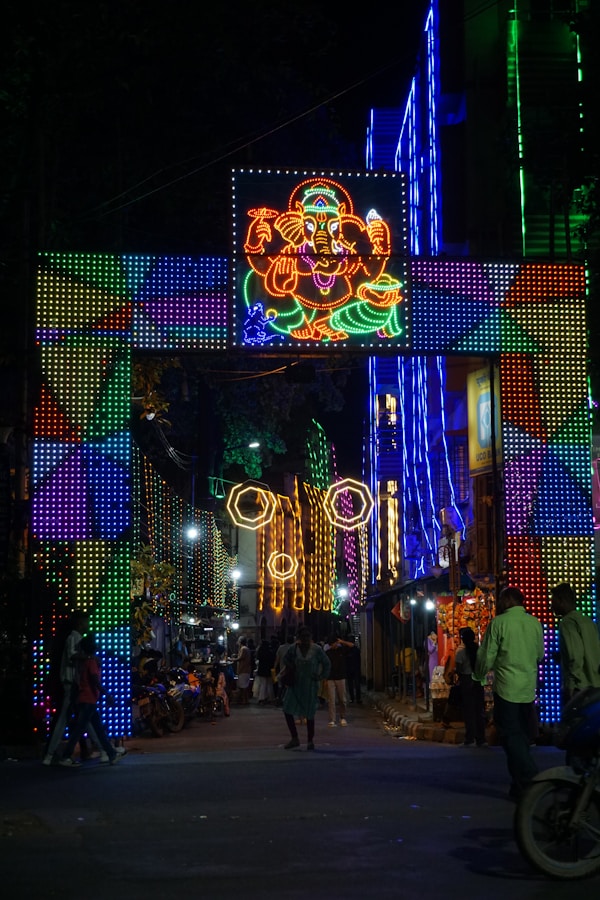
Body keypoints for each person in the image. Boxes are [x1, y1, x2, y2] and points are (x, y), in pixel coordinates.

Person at [474, 586, 544, 800]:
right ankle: (519, 786)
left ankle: (531, 777)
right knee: (521, 736)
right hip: (528, 689)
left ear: (505, 602)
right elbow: (540, 654)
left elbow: (487, 655)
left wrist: (478, 675)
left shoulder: (498, 623)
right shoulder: (534, 623)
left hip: (507, 689)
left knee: (512, 737)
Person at [43, 610, 102, 765]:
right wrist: (90, 657)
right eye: (86, 621)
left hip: (74, 684)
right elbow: (72, 655)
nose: (88, 624)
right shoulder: (74, 637)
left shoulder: (75, 637)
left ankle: (103, 749)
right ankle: (51, 755)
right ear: (80, 623)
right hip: (71, 683)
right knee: (72, 719)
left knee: (85, 719)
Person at [58, 636, 122, 767]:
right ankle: (66, 756)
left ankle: (111, 754)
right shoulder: (91, 662)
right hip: (89, 699)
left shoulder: (84, 662)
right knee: (80, 729)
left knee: (96, 729)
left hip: (86, 699)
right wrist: (107, 694)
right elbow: (94, 680)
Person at [281, 627, 331, 751]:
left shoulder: (317, 650)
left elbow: (327, 663)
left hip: (310, 685)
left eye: (307, 636)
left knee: (310, 713)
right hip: (296, 684)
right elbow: (285, 659)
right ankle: (294, 738)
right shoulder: (294, 649)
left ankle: (310, 740)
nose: (305, 639)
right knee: (287, 709)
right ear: (299, 637)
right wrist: (291, 667)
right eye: (303, 636)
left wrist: (321, 676)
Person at [550, 582, 600, 705]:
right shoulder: (587, 622)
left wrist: (570, 685)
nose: (551, 606)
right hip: (594, 685)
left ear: (561, 601)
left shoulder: (567, 623)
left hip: (579, 687)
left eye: (553, 601)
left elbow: (575, 656)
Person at [454, 627, 486, 747]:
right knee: (479, 710)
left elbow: (459, 669)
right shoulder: (480, 651)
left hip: (467, 681)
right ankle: (481, 739)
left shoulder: (461, 653)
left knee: (469, 711)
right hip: (478, 681)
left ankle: (470, 738)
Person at [325, 634, 353, 726]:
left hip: (341, 677)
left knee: (342, 699)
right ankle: (332, 719)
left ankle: (342, 717)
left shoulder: (342, 650)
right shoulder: (328, 653)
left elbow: (352, 645)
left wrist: (342, 641)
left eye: (334, 643)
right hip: (330, 678)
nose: (333, 645)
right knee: (331, 700)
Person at [274, 632, 295, 706]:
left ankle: (278, 699)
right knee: (289, 686)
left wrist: (274, 668)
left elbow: (277, 659)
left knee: (280, 686)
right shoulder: (294, 648)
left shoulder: (281, 648)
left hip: (281, 670)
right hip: (291, 671)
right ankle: (287, 700)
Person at [253, 638, 275, 704]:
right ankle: (270, 697)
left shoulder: (260, 652)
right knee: (269, 684)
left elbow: (258, 660)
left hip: (261, 669)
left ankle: (262, 698)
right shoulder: (270, 652)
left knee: (263, 684)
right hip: (268, 669)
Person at [234, 637, 252, 704]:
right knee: (245, 686)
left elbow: (240, 658)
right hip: (246, 670)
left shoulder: (243, 649)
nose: (237, 642)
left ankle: (244, 700)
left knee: (243, 686)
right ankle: (245, 700)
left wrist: (231, 659)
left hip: (243, 670)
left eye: (238, 641)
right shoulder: (246, 649)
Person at [346, 637, 362, 705]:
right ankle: (353, 698)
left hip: (355, 669)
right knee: (351, 685)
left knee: (356, 684)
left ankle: (357, 698)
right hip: (351, 669)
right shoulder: (347, 650)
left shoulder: (355, 650)